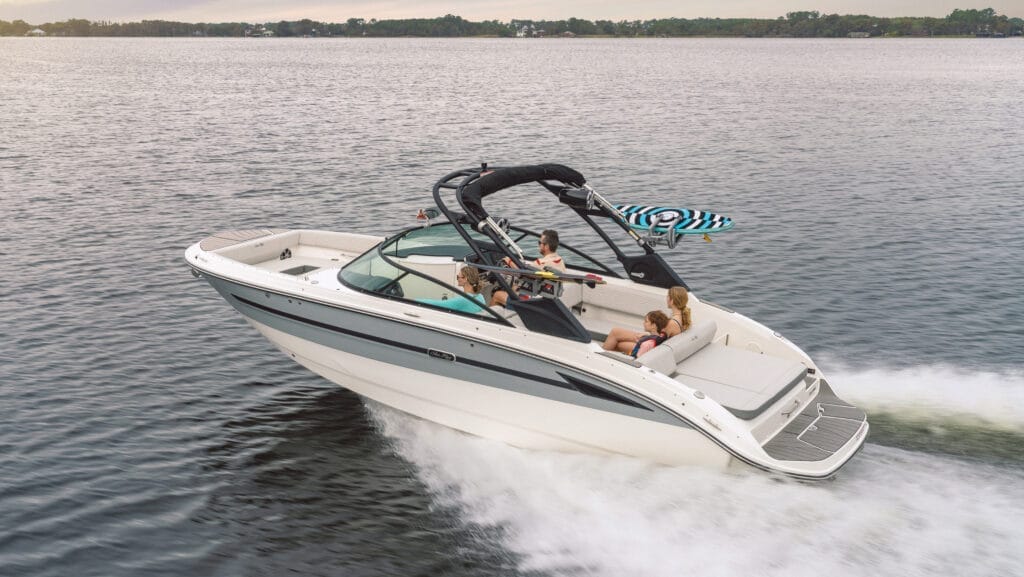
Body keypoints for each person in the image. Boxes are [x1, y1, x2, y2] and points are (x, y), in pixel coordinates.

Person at [602, 286, 692, 353]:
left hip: (652, 349)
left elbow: (657, 341)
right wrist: (646, 334)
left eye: (668, 296)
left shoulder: (672, 323)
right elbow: (661, 337)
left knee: (617, 339)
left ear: (671, 301)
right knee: (616, 333)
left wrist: (643, 338)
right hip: (655, 344)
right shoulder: (683, 317)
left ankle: (599, 357)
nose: (666, 298)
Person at [490, 229, 566, 307]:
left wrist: (509, 261)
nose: (539, 245)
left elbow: (521, 273)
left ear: (546, 246)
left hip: (531, 303)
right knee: (514, 288)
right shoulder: (560, 261)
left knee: (497, 295)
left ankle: (487, 317)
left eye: (540, 243)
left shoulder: (540, 263)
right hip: (548, 300)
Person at [417, 265, 487, 313]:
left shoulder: (463, 300)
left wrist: (416, 300)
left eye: (458, 277)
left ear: (465, 279)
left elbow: (439, 305)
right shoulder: (480, 297)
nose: (457, 279)